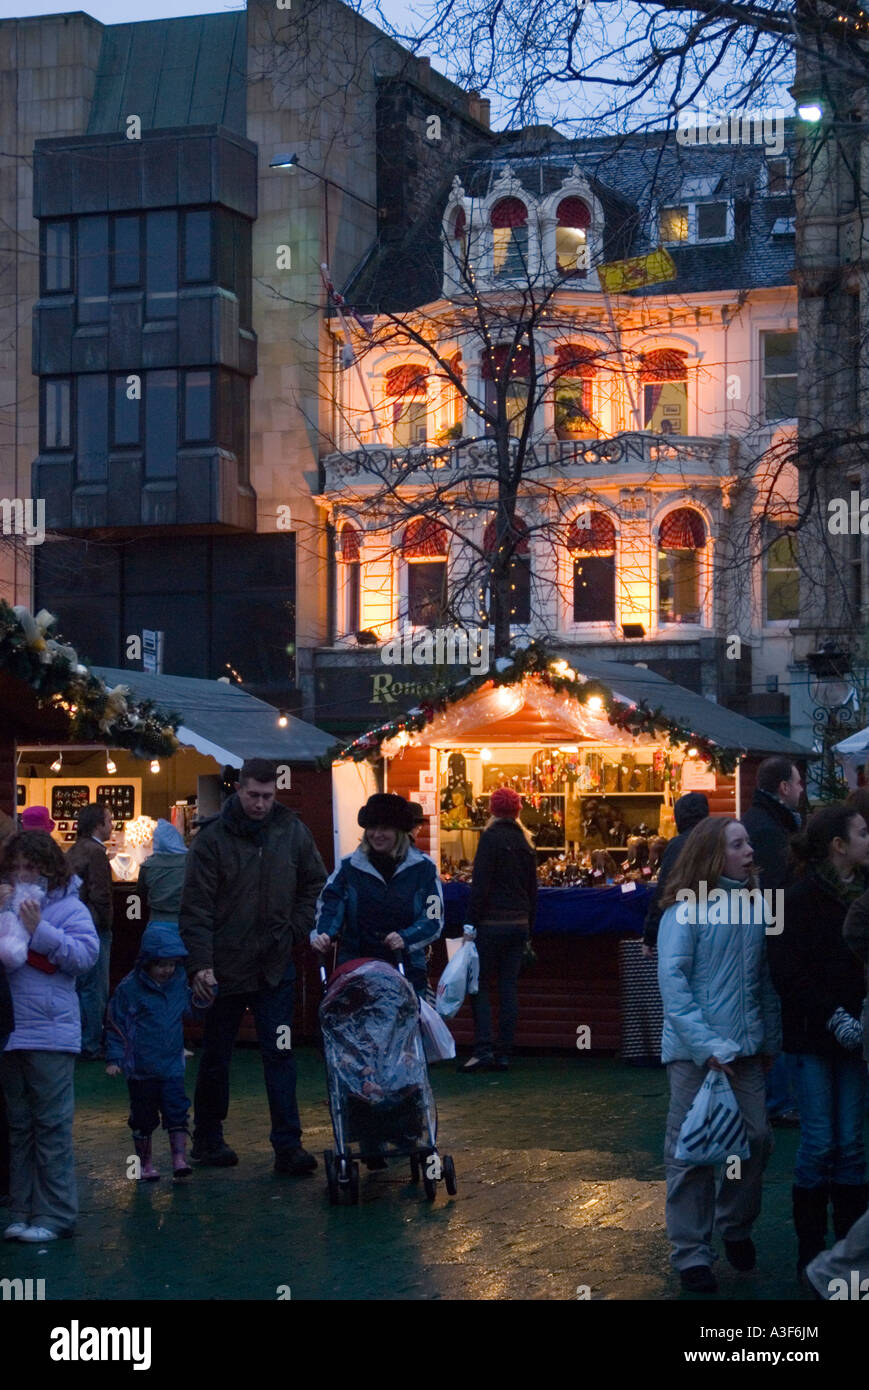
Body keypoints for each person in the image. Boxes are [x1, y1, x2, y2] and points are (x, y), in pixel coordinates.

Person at [179, 758, 327, 1173]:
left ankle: (288, 1146)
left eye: (268, 796)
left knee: (280, 1055)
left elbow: (316, 883)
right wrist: (200, 965)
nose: (261, 803)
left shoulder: (291, 832)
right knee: (216, 1057)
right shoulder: (212, 840)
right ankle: (207, 1139)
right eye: (254, 795)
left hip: (273, 969)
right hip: (224, 970)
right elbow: (196, 908)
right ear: (239, 790)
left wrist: (295, 927)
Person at [657, 817, 780, 1294]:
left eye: (748, 841)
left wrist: (769, 1038)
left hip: (745, 1049)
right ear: (714, 854)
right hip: (695, 1054)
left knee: (757, 1139)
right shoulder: (684, 912)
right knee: (689, 1151)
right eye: (738, 844)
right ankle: (691, 1253)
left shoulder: (754, 903)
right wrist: (706, 1046)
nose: (750, 850)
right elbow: (674, 983)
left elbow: (762, 978)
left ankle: (733, 1223)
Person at [768, 804, 869, 1281]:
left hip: (853, 1037)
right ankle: (810, 1254)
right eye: (864, 834)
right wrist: (835, 1017)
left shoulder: (862, 894)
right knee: (819, 1141)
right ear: (839, 846)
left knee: (849, 1143)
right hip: (813, 1035)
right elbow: (787, 972)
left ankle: (847, 1255)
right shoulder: (796, 899)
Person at [0, 830, 98, 1242]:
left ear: (49, 869)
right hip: (10, 1029)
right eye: (16, 867)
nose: (23, 874)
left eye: (32, 867)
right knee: (19, 1126)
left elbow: (85, 959)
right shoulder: (4, 904)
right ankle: (23, 1209)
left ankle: (56, 1214)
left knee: (52, 1126)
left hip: (49, 1029)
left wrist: (39, 930)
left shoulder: (70, 909)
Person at [311, 792, 443, 1000]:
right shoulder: (349, 867)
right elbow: (331, 903)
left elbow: (433, 918)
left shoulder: (423, 869)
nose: (377, 834)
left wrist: (406, 938)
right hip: (356, 968)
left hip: (405, 967)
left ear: (399, 832)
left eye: (385, 828)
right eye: (372, 828)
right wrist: (324, 934)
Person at [105, 922, 208, 1181]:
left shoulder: (177, 984)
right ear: (147, 962)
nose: (167, 970)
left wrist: (207, 994)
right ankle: (145, 1163)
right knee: (143, 1117)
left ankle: (179, 1159)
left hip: (171, 1065)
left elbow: (192, 1011)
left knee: (177, 1111)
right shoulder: (129, 988)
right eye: (161, 964)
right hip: (141, 1069)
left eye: (172, 964)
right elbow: (116, 1023)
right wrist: (115, 1057)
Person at [456, 786, 537, 1074]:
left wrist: (469, 924)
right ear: (517, 811)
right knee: (508, 988)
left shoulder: (489, 839)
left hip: (490, 925)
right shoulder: (525, 842)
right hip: (518, 924)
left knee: (479, 987)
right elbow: (532, 890)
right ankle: (504, 1052)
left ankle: (483, 1050)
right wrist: (529, 928)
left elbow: (481, 886)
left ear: (492, 810)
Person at [741, 757, 804, 1128]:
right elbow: (773, 895)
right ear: (783, 787)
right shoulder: (769, 830)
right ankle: (778, 1100)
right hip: (770, 938)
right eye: (798, 783)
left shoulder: (762, 822)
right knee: (772, 1011)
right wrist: (782, 936)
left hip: (766, 934)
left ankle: (776, 1096)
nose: (801, 790)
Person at [66, 802, 114, 1060]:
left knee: (80, 987)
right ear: (98, 824)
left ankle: (81, 1039)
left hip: (74, 927)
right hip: (93, 929)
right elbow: (101, 895)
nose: (112, 824)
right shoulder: (96, 853)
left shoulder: (74, 850)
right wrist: (105, 924)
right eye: (109, 819)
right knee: (95, 989)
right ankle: (91, 1043)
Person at [642, 792, 709, 956]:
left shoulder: (677, 845)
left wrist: (650, 935)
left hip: (685, 921)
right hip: (720, 920)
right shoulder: (719, 839)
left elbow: (665, 889)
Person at [137, 819, 188, 924]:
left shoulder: (148, 866)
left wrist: (134, 916)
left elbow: (139, 896)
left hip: (156, 922)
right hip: (184, 923)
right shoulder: (191, 863)